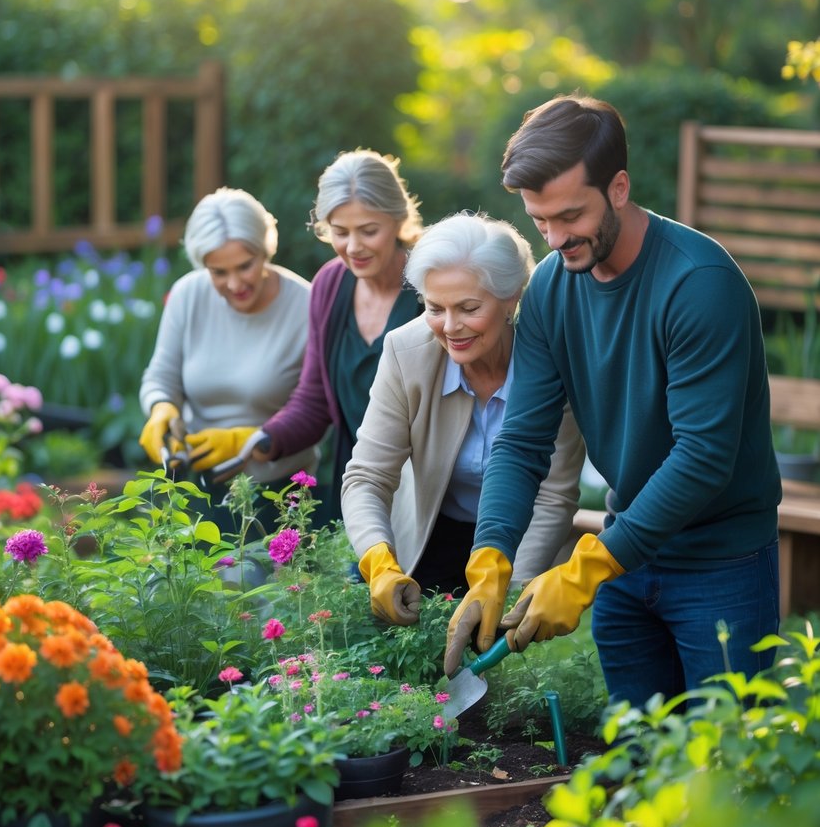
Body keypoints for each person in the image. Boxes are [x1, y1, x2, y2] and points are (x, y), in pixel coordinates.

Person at [444, 94, 781, 708]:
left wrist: (585, 570)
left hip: (719, 563)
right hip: (627, 553)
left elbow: (704, 455)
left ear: (619, 188)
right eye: (539, 219)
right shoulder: (551, 288)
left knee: (729, 779)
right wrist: (490, 555)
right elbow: (522, 440)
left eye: (569, 215)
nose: (552, 237)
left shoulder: (698, 285)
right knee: (639, 763)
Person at [342, 212, 585, 629]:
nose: (451, 327)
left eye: (469, 308)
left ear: (512, 297)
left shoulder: (553, 363)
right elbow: (367, 477)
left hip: (515, 543)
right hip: (427, 535)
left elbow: (552, 497)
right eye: (435, 308)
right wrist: (379, 561)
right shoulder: (405, 352)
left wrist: (513, 589)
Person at [247, 149, 425, 521]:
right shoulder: (330, 284)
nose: (353, 247)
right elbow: (315, 399)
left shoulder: (430, 283)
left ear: (398, 219)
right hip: (360, 493)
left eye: (368, 231)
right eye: (339, 232)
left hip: (427, 496)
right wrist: (262, 440)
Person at [138, 187, 318, 533]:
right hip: (201, 488)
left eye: (245, 266)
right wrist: (161, 408)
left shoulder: (307, 306)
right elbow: (161, 377)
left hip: (282, 496)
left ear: (265, 250)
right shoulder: (188, 295)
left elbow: (317, 408)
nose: (235, 284)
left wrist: (251, 440)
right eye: (218, 272)